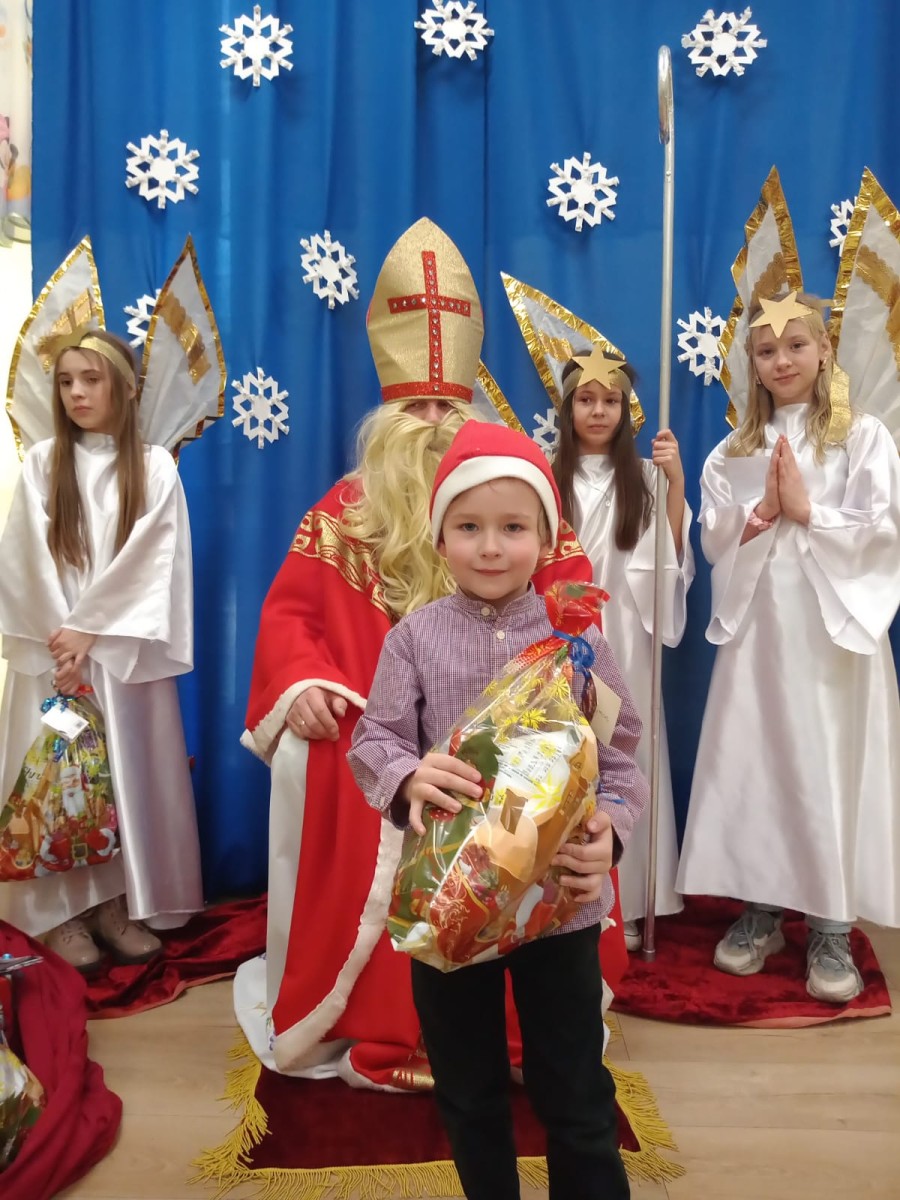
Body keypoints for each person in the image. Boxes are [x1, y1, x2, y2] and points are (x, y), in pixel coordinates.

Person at [235, 218, 628, 1087]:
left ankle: (527, 1024)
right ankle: (387, 1020)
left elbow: (576, 614)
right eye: (417, 408)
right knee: (350, 765)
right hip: (395, 738)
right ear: (387, 413)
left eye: (449, 408)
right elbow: (292, 617)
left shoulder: (520, 499)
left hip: (512, 741)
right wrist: (303, 683)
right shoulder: (346, 508)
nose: (434, 422)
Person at [348, 420, 647, 1200]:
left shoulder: (577, 638)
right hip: (449, 904)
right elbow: (374, 738)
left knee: (575, 1089)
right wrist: (408, 775)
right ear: (438, 536)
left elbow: (619, 754)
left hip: (561, 905)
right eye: (469, 527)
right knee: (469, 1088)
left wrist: (611, 831)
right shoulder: (413, 639)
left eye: (513, 528)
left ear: (546, 539)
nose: (490, 547)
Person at [676, 291, 900, 1002]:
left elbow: (884, 528)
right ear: (752, 363)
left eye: (796, 345)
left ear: (825, 349)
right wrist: (759, 514)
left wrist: (809, 513)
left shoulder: (863, 438)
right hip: (761, 637)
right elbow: (716, 537)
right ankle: (762, 908)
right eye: (767, 351)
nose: (782, 361)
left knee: (826, 764)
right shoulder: (732, 453)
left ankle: (831, 923)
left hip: (832, 637)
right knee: (759, 760)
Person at [0, 330, 203, 971]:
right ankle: (58, 912)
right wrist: (62, 642)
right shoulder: (43, 463)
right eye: (66, 382)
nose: (77, 394)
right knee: (53, 782)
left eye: (91, 379)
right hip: (52, 657)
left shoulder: (155, 466)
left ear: (125, 386)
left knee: (123, 776)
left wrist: (90, 630)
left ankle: (117, 903)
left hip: (121, 654)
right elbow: (24, 559)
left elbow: (153, 558)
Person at [552, 348, 694, 950]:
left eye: (610, 401)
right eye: (586, 399)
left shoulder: (643, 476)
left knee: (624, 754)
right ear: (567, 408)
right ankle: (561, 894)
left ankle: (629, 899)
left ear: (625, 408)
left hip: (627, 636)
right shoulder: (545, 476)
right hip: (563, 634)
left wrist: (675, 481)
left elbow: (671, 556)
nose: (598, 411)